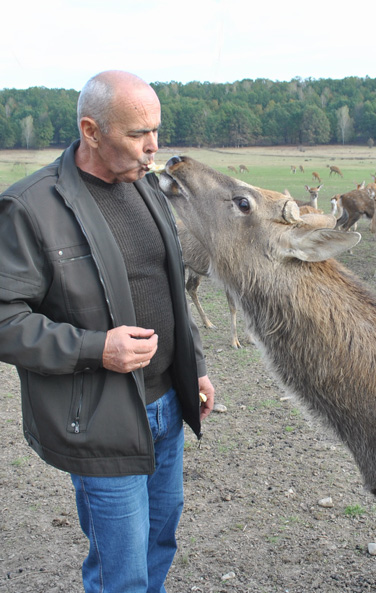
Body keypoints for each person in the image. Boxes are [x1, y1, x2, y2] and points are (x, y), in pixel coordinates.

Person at [0, 70, 215, 593]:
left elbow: (166, 288)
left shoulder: (144, 188)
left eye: (157, 131)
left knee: (159, 546)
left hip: (168, 407)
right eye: (138, 134)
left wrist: (198, 367)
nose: (153, 148)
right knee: (121, 572)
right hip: (102, 416)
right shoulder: (32, 207)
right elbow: (6, 319)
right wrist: (98, 349)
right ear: (91, 131)